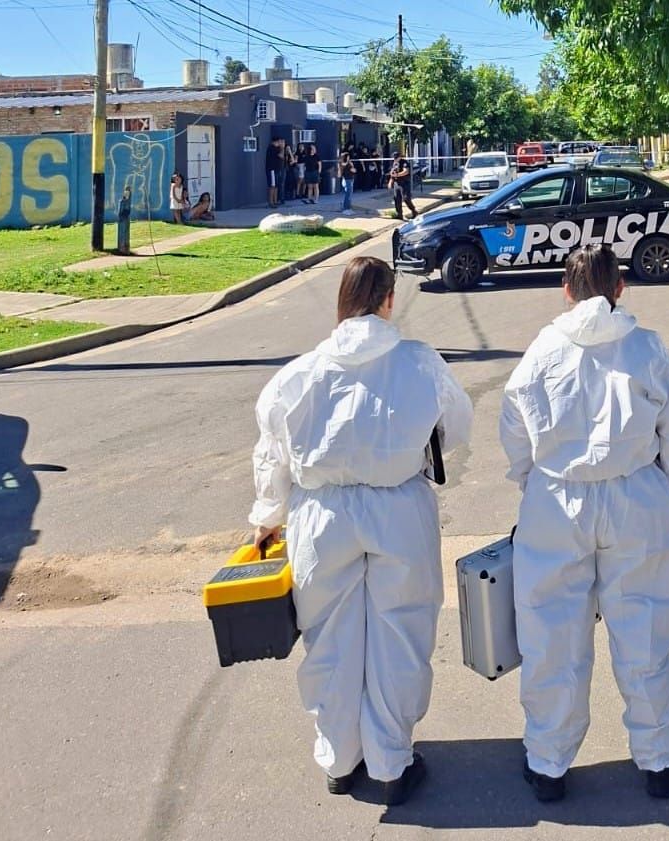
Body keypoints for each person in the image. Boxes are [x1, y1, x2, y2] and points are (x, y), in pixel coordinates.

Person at [248, 256, 473, 806]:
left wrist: (266, 519)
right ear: (388, 300)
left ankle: (339, 758)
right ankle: (392, 760)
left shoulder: (298, 375)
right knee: (400, 633)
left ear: (342, 302)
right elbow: (457, 430)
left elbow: (271, 455)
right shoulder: (421, 363)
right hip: (399, 507)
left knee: (330, 638)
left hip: (320, 516)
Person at [500, 244, 669, 802]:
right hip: (636, 496)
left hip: (557, 499)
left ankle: (548, 763)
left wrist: (533, 484)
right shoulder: (646, 348)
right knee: (645, 628)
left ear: (566, 292)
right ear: (620, 289)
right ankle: (660, 759)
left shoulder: (542, 350)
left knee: (551, 635)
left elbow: (514, 431)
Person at [388, 151, 417, 220]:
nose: (395, 159)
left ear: (400, 157)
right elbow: (392, 173)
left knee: (406, 198)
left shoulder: (404, 162)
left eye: (396, 158)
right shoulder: (394, 163)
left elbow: (406, 171)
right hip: (396, 183)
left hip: (404, 183)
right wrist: (390, 182)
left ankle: (413, 211)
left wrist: (398, 175)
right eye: (394, 158)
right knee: (397, 199)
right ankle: (399, 214)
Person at [265, 137, 283, 208]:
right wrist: (282, 148)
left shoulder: (275, 148)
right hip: (272, 169)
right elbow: (281, 156)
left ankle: (275, 201)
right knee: (272, 185)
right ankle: (271, 202)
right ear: (276, 141)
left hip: (276, 169)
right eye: (279, 142)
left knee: (275, 185)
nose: (280, 143)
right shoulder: (272, 148)